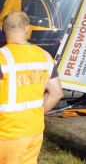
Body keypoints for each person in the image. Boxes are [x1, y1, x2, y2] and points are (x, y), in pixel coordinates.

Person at [0, 11, 63, 164]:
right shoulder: (45, 56)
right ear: (27, 29)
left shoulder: (2, 57)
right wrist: (37, 113)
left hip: (7, 133)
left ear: (3, 29)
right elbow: (56, 93)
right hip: (34, 131)